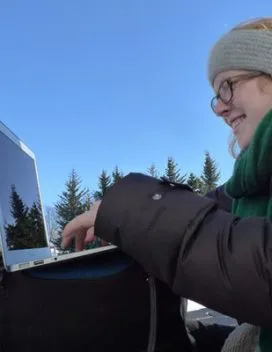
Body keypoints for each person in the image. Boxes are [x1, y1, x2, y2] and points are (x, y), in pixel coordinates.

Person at [62, 17, 272, 351]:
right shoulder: (252, 185)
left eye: (228, 86)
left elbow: (260, 267)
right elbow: (211, 216)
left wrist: (128, 211)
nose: (219, 108)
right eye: (215, 95)